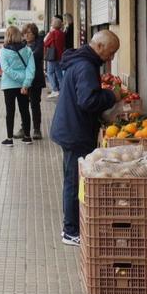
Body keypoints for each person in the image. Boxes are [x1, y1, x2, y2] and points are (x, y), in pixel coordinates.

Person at [49, 29, 122, 245]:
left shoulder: (81, 61)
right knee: (73, 181)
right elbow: (87, 101)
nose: (111, 58)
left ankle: (73, 227)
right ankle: (71, 231)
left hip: (70, 128)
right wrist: (111, 95)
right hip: (75, 132)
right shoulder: (86, 66)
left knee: (73, 179)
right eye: (111, 52)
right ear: (99, 46)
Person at [0, 28, 37, 145]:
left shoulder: (3, 51)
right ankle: (27, 137)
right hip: (23, 85)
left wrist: (16, 77)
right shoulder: (27, 50)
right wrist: (25, 82)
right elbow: (31, 69)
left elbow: (5, 68)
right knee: (25, 110)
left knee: (10, 111)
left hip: (8, 85)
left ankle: (9, 139)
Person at [22, 22, 47, 142]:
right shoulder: (22, 44)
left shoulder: (39, 43)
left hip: (36, 79)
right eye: (25, 33)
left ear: (34, 33)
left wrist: (24, 57)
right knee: (23, 104)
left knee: (35, 104)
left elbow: (36, 55)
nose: (26, 35)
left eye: (29, 33)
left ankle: (37, 129)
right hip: (24, 80)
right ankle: (24, 128)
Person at [44, 15, 68, 96]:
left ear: (53, 25)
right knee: (59, 73)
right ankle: (62, 88)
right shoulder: (62, 34)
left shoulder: (52, 33)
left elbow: (46, 43)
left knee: (50, 72)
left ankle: (55, 89)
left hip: (53, 56)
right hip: (60, 56)